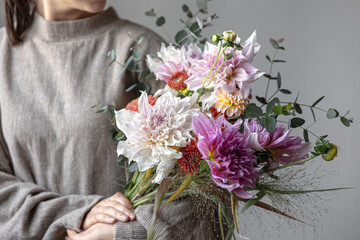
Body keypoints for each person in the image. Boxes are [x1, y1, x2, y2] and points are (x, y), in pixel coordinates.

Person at [0, 0, 166, 239]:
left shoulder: (145, 52)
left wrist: (126, 233)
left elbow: (204, 197)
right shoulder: (2, 55)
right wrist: (79, 212)